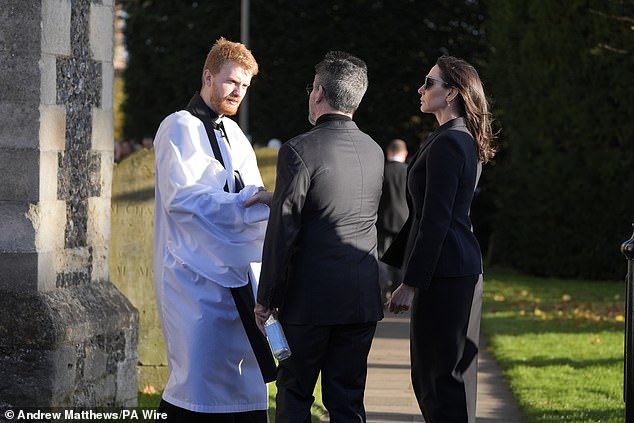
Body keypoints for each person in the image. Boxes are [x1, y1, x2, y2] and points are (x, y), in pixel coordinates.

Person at [252, 51, 384, 423]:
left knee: (294, 395)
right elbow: (337, 208)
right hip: (360, 299)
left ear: (319, 92)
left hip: (308, 302)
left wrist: (266, 299)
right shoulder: (374, 150)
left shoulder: (298, 149)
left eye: (311, 88)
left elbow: (285, 230)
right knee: (347, 400)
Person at [152, 37, 276, 422]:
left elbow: (250, 190)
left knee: (247, 378)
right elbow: (182, 198)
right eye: (232, 82)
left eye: (245, 86)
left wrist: (266, 201)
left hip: (238, 273)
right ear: (208, 76)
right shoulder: (178, 127)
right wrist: (241, 203)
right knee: (198, 381)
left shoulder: (236, 135)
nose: (238, 92)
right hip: (193, 277)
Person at [382, 55, 496, 423]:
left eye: (429, 82)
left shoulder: (452, 142)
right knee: (436, 377)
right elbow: (422, 215)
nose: (421, 88)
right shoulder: (451, 137)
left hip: (447, 272)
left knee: (442, 379)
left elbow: (436, 220)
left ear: (452, 94)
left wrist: (410, 283)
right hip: (450, 269)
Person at [376, 138, 409, 301]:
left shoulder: (382, 170)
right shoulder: (409, 170)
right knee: (402, 258)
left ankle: (382, 291)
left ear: (388, 152)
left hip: (383, 220)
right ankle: (398, 292)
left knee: (382, 257)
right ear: (405, 153)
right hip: (404, 222)